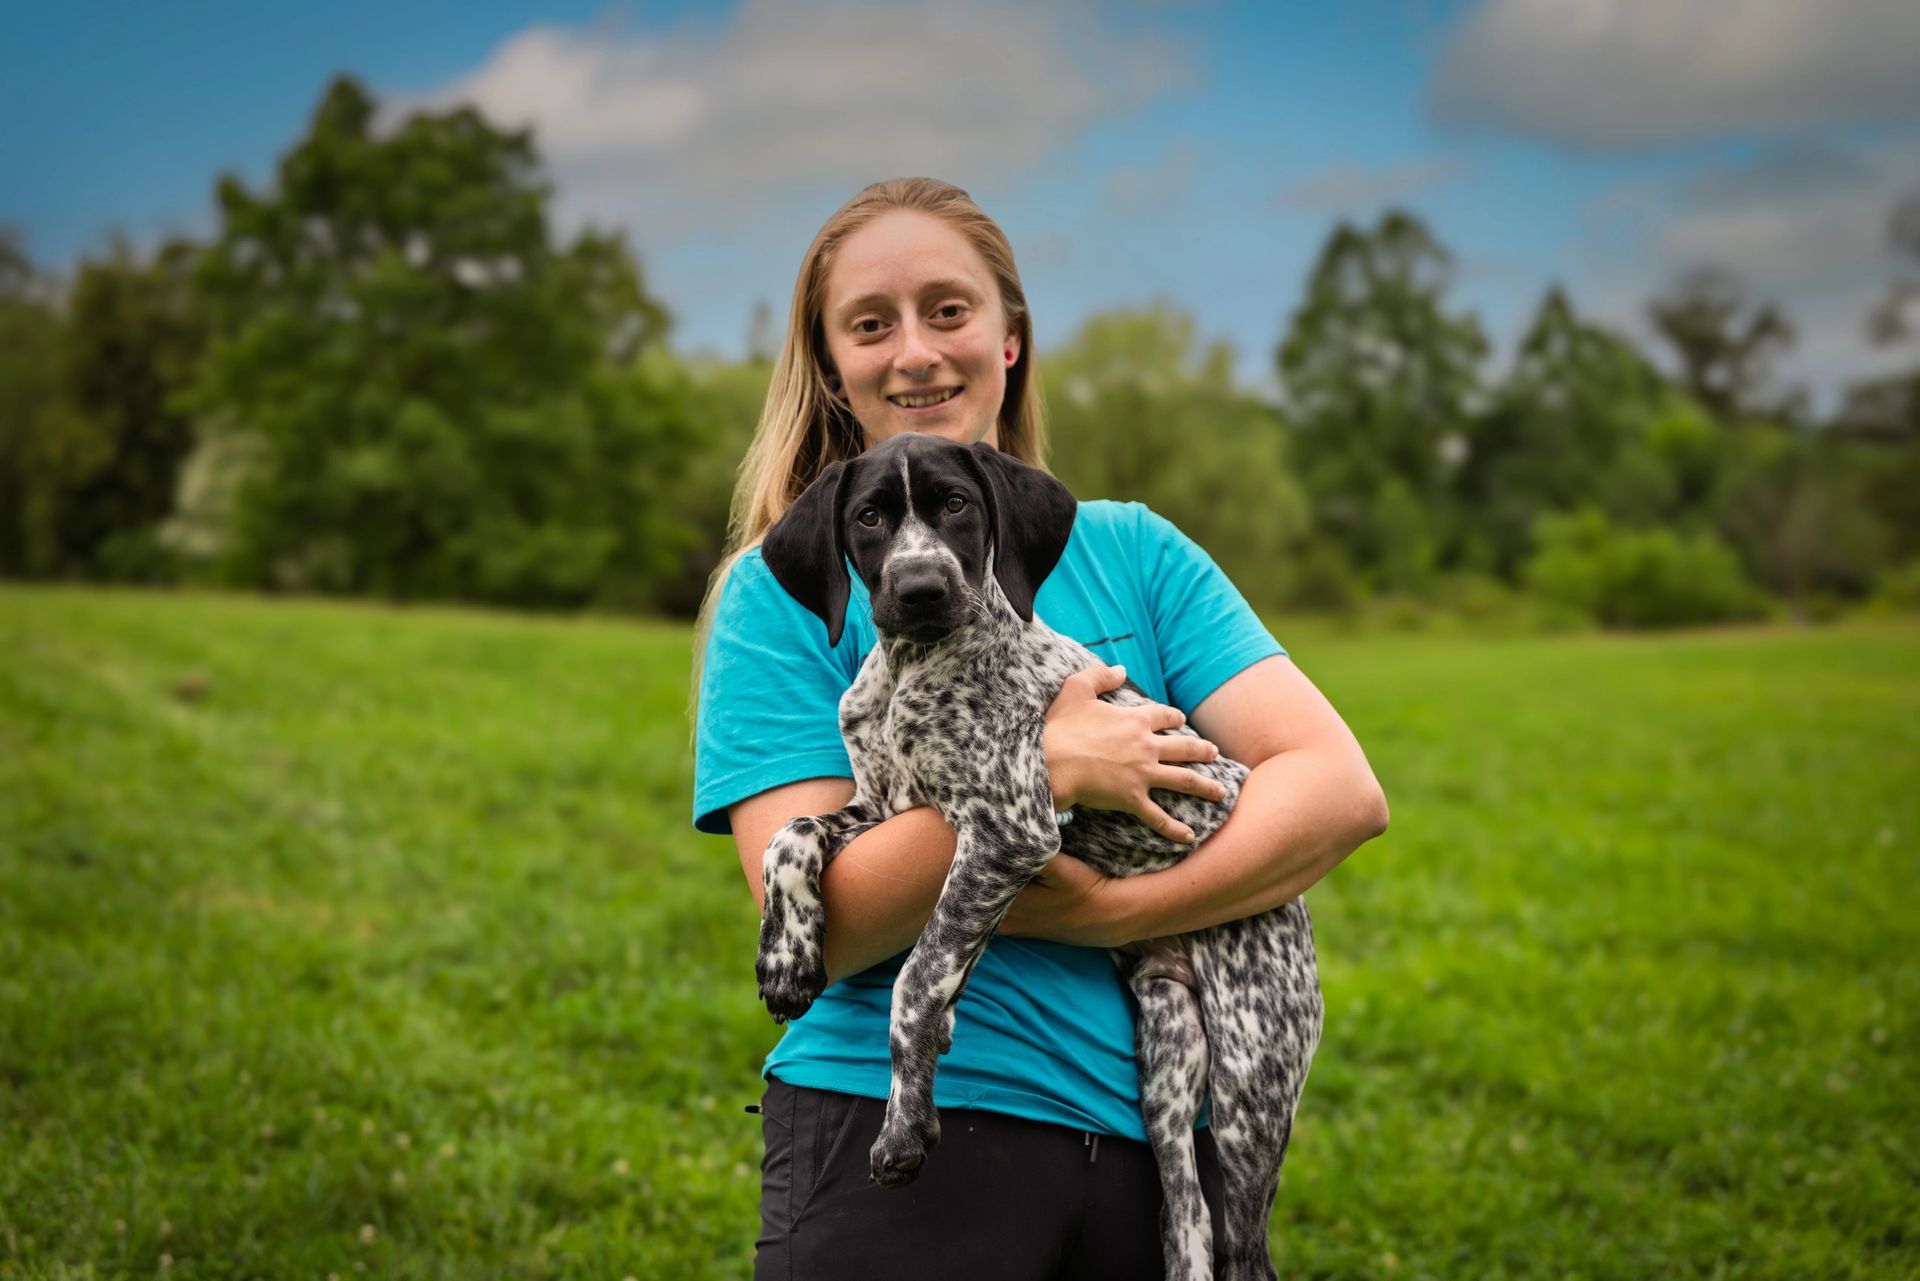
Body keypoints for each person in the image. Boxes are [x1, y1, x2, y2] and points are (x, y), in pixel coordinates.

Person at [693, 177, 1388, 1281]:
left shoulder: (1136, 550)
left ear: (1011, 337)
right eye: (871, 324)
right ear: (833, 365)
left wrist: (1114, 912)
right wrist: (1049, 769)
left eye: (950, 310)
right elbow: (829, 931)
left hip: (1164, 1125)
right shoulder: (785, 585)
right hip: (900, 1123)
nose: (915, 351)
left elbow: (1340, 793)